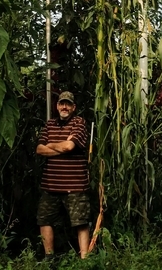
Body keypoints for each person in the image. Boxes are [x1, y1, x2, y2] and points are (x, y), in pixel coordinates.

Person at [36, 90, 91, 259]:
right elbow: (39, 149)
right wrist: (62, 145)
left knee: (80, 222)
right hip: (50, 185)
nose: (64, 107)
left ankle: (85, 260)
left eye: (68, 104)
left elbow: (69, 147)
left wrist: (51, 144)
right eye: (62, 103)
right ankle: (49, 258)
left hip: (74, 185)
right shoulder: (50, 124)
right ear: (57, 106)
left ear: (73, 107)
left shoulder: (79, 123)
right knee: (44, 219)